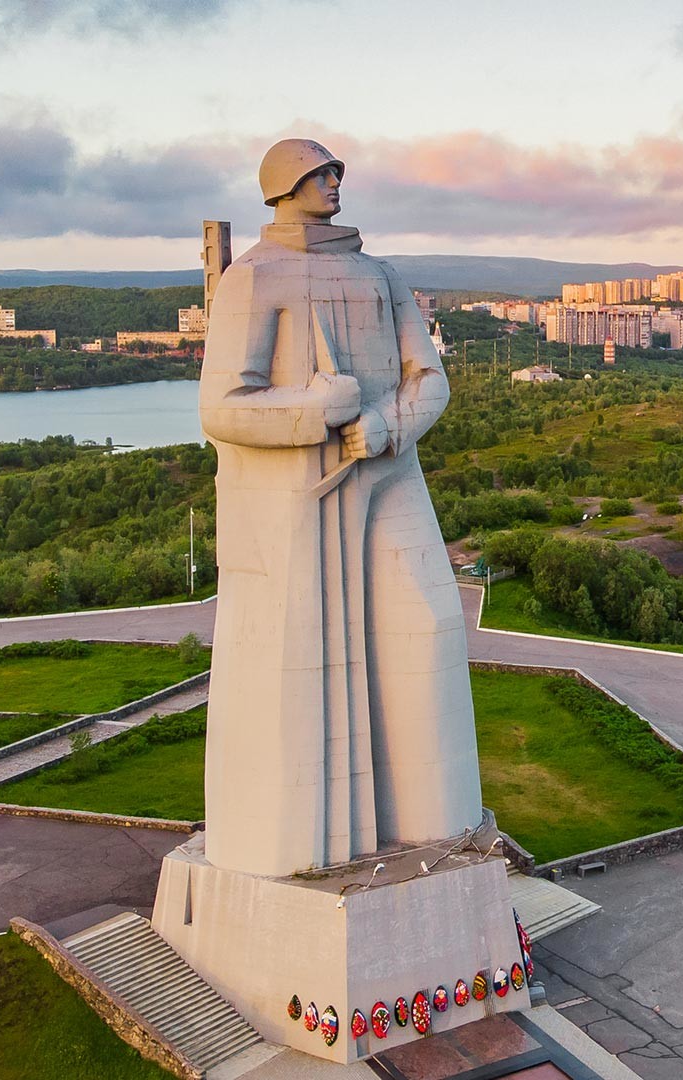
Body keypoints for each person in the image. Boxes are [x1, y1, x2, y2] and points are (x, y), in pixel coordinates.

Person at [198, 138, 482, 876]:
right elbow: (222, 408)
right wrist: (314, 408)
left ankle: (440, 834)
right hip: (299, 497)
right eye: (320, 175)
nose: (333, 186)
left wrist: (387, 425)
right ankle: (297, 852)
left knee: (429, 627)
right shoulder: (252, 280)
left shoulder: (382, 275)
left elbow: (432, 379)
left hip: (388, 472)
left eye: (334, 174)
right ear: (284, 187)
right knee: (297, 667)